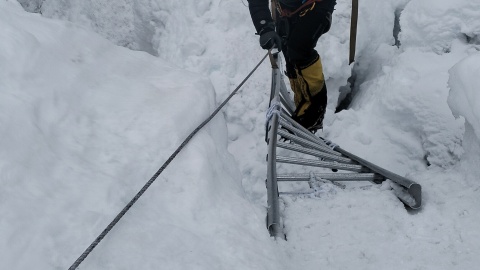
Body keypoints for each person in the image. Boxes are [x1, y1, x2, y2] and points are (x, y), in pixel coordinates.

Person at [247, 0, 336, 132]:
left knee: (299, 48)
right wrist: (264, 27)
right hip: (287, 9)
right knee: (288, 49)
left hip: (317, 5)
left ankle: (315, 110)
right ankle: (302, 104)